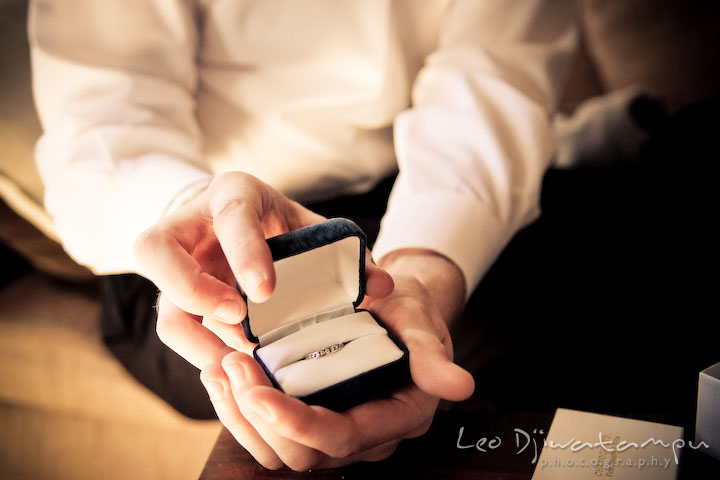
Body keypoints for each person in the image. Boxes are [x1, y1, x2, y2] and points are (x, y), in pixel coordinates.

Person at [29, 0, 577, 470]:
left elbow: (492, 78)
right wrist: (195, 223)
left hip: (407, 189)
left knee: (547, 312)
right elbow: (101, 121)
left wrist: (426, 265)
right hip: (178, 228)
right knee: (483, 359)